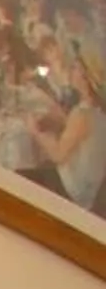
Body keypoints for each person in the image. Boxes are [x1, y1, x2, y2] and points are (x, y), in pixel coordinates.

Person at [30, 43, 106, 212]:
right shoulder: (99, 114)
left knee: (19, 177)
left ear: (86, 78)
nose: (71, 70)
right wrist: (61, 121)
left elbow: (58, 155)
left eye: (76, 68)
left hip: (69, 190)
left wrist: (34, 131)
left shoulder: (82, 113)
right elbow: (82, 136)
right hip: (87, 196)